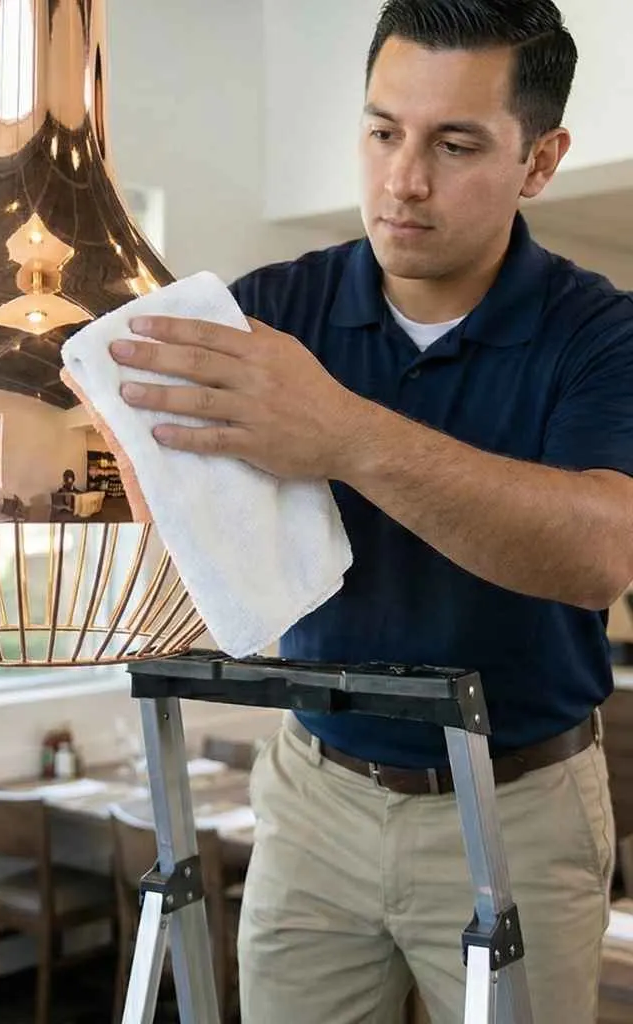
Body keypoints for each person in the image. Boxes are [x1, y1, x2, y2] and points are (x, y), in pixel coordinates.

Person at [107, 1, 633, 1021]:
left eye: (453, 143)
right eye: (383, 130)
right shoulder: (267, 315)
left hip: (519, 801)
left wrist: (341, 433)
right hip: (312, 792)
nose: (402, 179)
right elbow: (168, 513)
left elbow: (601, 554)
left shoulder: (600, 334)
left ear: (539, 160)